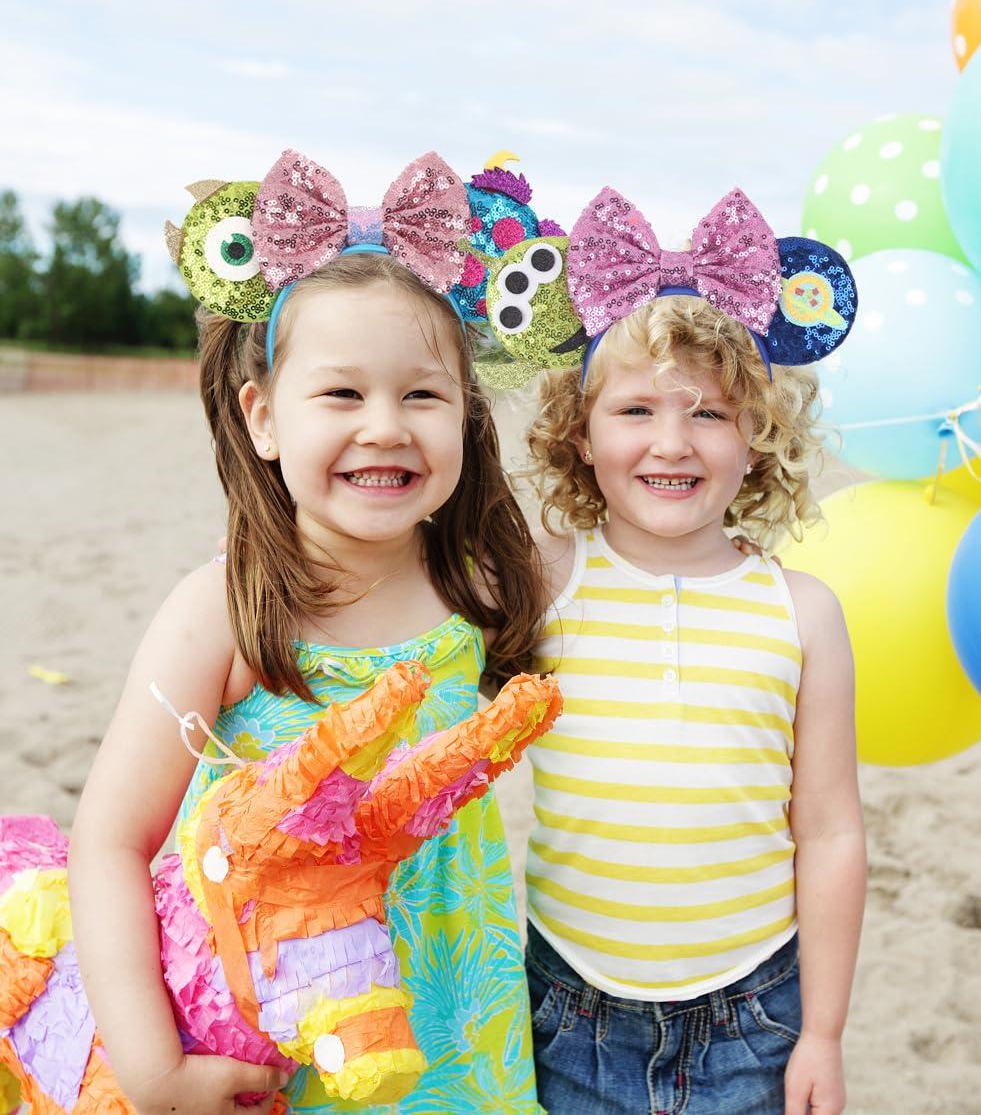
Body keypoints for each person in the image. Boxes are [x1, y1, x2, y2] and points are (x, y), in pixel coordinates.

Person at [68, 151, 549, 1114]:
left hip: (459, 1035)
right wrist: (156, 1071)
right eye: (341, 394)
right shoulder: (226, 610)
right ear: (263, 418)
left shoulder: (478, 585)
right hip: (277, 1033)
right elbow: (109, 840)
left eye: (422, 394)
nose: (385, 427)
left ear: (466, 413)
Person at [512, 187, 868, 1114]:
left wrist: (822, 1033)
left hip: (754, 1010)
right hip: (567, 1006)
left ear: (757, 435)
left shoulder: (802, 612)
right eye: (634, 409)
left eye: (708, 413)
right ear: (579, 432)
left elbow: (830, 830)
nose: (670, 443)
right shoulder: (543, 580)